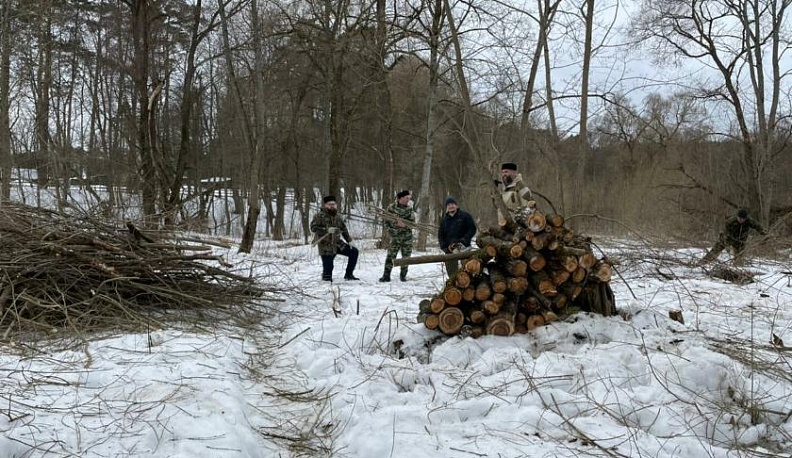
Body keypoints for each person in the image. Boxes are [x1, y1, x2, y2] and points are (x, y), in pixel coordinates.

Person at [310, 195, 360, 281]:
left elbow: (343, 229)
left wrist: (349, 241)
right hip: (325, 245)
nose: (332, 206)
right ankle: (326, 279)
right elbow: (313, 228)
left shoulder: (338, 217)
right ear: (325, 205)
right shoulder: (319, 216)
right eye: (329, 204)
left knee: (354, 252)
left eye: (333, 204)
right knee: (328, 271)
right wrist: (326, 230)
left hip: (337, 243)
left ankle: (349, 274)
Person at [700, 208, 767, 264]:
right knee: (715, 250)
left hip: (740, 241)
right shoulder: (730, 221)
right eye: (740, 218)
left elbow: (758, 227)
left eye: (743, 219)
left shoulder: (749, 220)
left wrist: (765, 234)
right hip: (728, 238)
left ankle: (737, 268)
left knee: (739, 259)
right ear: (737, 217)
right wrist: (727, 245)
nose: (741, 220)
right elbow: (724, 232)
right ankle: (703, 262)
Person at [379, 190, 415, 282]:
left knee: (406, 257)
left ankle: (403, 276)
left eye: (409, 198)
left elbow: (413, 224)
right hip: (395, 237)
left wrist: (404, 225)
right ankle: (386, 276)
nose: (408, 200)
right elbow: (386, 222)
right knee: (390, 256)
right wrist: (392, 232)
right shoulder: (391, 208)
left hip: (407, 238)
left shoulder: (409, 210)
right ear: (400, 198)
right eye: (406, 198)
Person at [438, 196, 477, 277]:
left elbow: (472, 229)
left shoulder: (465, 216)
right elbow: (440, 235)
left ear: (456, 205)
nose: (451, 206)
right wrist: (445, 248)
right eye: (449, 205)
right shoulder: (444, 220)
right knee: (452, 275)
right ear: (447, 207)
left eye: (452, 204)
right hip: (450, 250)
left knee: (468, 270)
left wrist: (464, 240)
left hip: (464, 248)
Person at [497, 162, 534, 226]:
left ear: (514, 173)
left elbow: (529, 209)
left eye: (506, 172)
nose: (504, 174)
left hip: (516, 228)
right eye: (502, 172)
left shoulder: (521, 187)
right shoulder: (504, 189)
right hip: (504, 227)